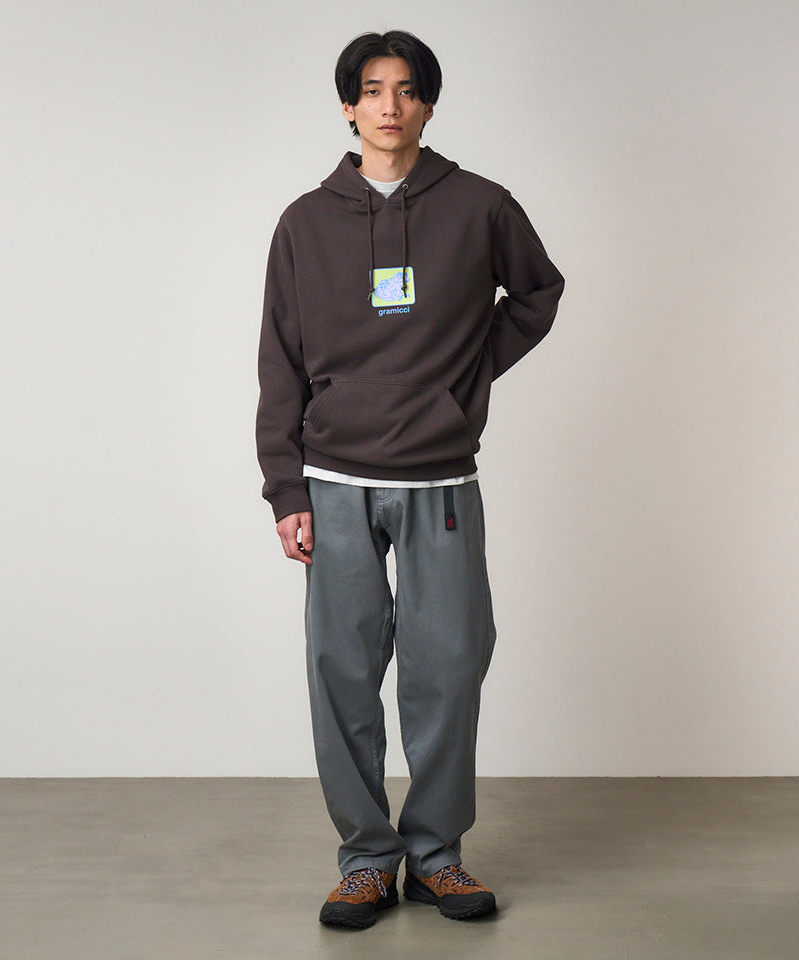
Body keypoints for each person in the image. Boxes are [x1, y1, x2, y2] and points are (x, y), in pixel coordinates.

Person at [256, 29, 564, 928]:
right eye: (370, 89)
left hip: (440, 480)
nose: (388, 105)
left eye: (405, 89)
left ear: (428, 103)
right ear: (347, 106)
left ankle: (435, 857)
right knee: (342, 673)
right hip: (332, 476)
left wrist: (466, 375)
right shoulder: (304, 222)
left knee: (451, 668)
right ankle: (364, 859)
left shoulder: (480, 205)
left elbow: (537, 293)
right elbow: (279, 361)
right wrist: (285, 490)